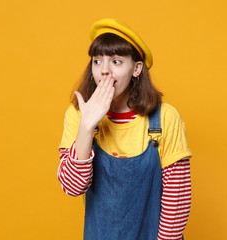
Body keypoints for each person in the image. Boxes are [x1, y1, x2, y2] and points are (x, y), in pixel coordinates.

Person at [57, 18, 193, 240]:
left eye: (116, 62)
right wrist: (87, 126)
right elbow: (72, 187)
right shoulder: (77, 116)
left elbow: (177, 201)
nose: (104, 71)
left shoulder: (166, 118)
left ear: (136, 68)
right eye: (97, 61)